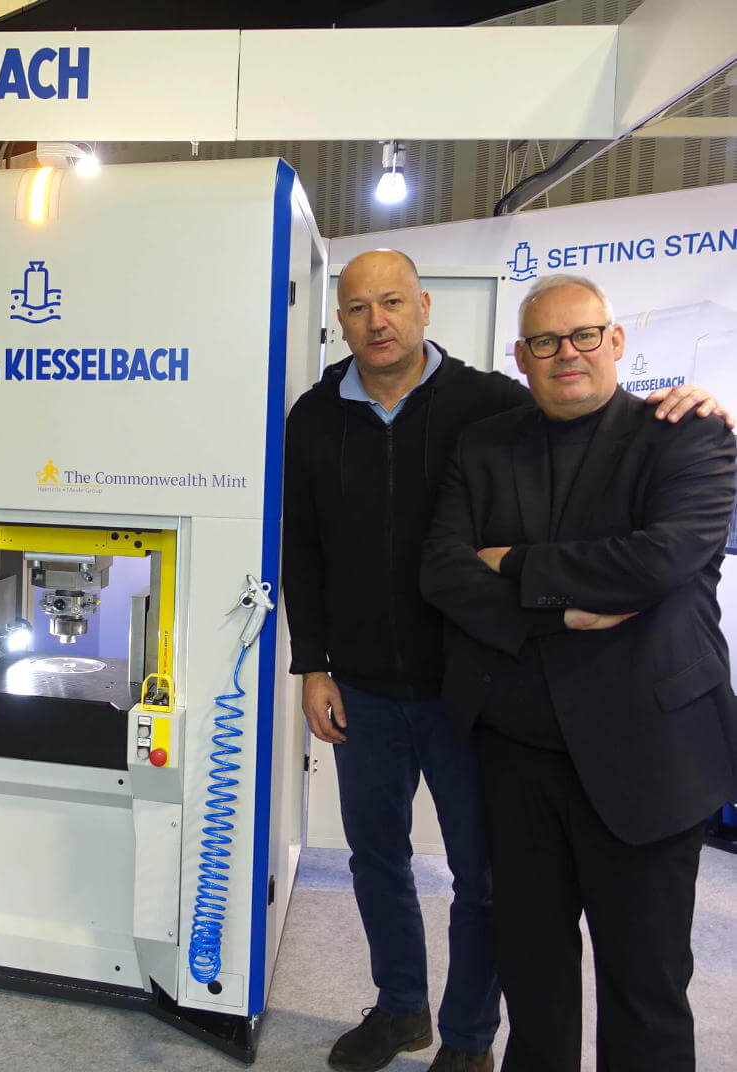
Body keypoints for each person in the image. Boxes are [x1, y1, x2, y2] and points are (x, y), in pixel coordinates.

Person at [280, 250, 727, 1072]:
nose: (378, 321)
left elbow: (644, 526)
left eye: (392, 302)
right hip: (402, 697)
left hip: (506, 697)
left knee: (509, 899)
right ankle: (401, 1008)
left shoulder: (498, 404)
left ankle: (468, 1040)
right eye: (358, 308)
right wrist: (313, 663)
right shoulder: (324, 418)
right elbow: (337, 554)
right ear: (339, 321)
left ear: (424, 307)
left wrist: (519, 568)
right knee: (397, 874)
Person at [420, 274, 737, 1071]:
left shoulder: (687, 433)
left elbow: (659, 561)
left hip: (648, 755)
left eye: (583, 335)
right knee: (533, 982)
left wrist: (515, 565)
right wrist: (561, 611)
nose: (567, 354)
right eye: (545, 341)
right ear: (520, 356)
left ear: (615, 340)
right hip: (517, 758)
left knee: (645, 989)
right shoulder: (485, 445)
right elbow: (443, 571)